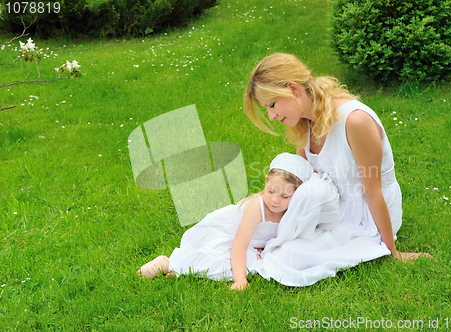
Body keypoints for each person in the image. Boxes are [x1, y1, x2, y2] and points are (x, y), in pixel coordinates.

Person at [244, 53, 431, 260]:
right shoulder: (303, 121)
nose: (271, 116)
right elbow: (300, 182)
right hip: (332, 203)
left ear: (293, 89)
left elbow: (373, 192)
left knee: (293, 257)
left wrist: (392, 250)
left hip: (365, 213)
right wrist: (265, 205)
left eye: (272, 105)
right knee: (244, 222)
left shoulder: (355, 121)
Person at [137, 152, 313, 290]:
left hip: (249, 243)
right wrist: (240, 280)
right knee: (225, 266)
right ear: (266, 181)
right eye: (271, 191)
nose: (275, 200)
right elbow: (239, 244)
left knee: (254, 264)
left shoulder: (291, 212)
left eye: (284, 196)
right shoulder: (257, 207)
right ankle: (167, 263)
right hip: (227, 234)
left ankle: (181, 270)